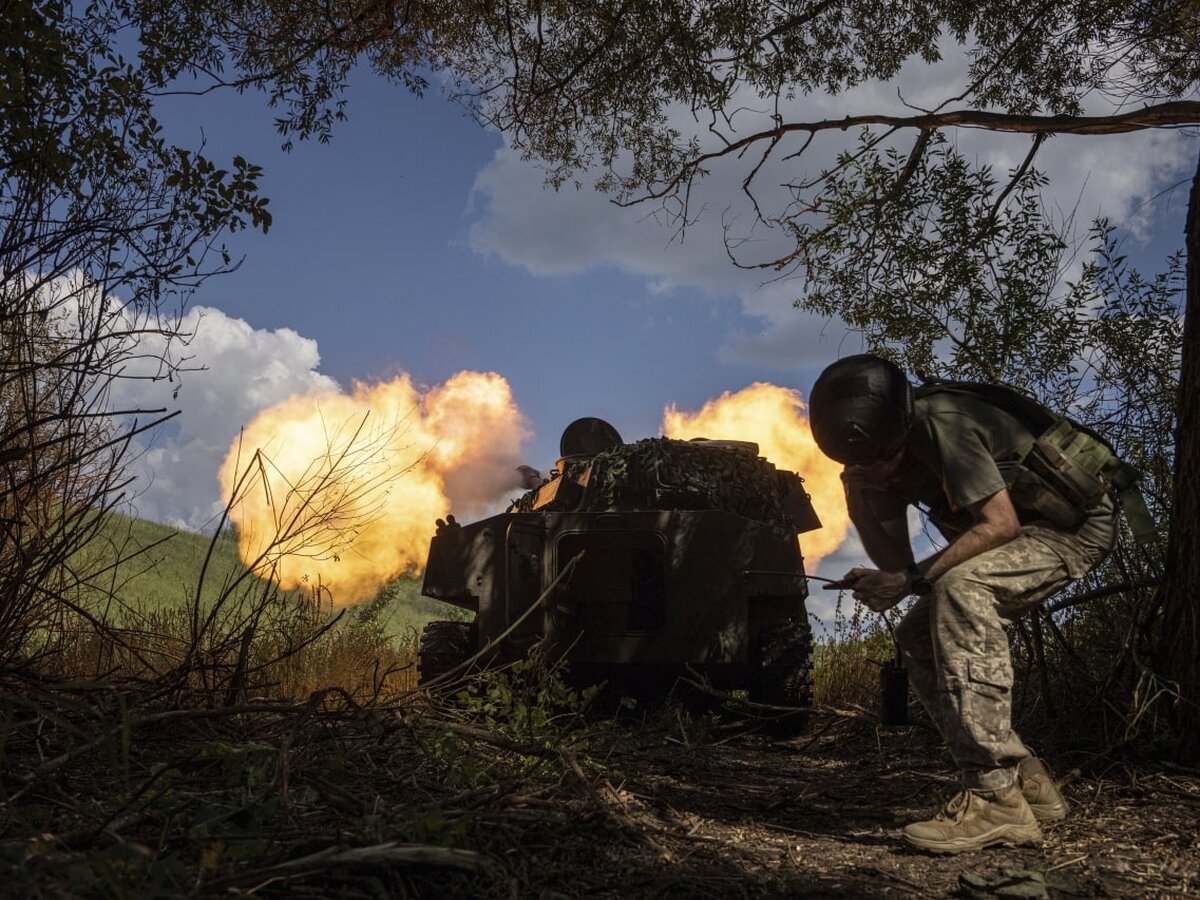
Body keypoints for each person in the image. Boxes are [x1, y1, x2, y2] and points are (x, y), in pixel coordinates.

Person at [808, 354, 1118, 854]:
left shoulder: (943, 424)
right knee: (914, 630)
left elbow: (1001, 526)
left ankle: (994, 798)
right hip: (1019, 533)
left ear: (900, 427)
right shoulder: (869, 461)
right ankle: (1027, 781)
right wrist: (863, 502)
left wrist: (909, 580)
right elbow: (895, 564)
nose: (875, 467)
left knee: (962, 589)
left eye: (880, 458)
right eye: (861, 462)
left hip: (1070, 529)